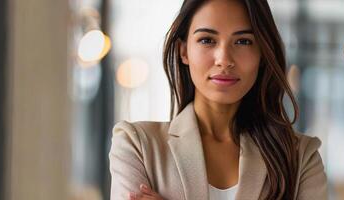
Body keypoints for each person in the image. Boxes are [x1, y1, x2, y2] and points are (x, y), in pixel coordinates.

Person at [108, 0, 327, 199]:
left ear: (262, 53)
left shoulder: (301, 157)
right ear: (183, 51)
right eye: (207, 40)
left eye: (242, 41)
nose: (224, 59)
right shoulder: (137, 145)